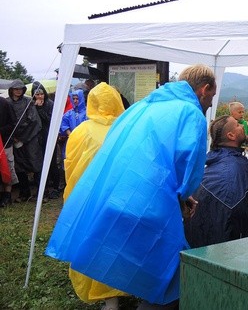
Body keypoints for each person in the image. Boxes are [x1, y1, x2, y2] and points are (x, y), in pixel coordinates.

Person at [45, 64, 217, 309]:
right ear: (205, 89)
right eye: (211, 97)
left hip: (116, 197)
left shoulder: (140, 107)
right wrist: (184, 195)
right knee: (166, 270)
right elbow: (188, 168)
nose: (210, 103)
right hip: (152, 204)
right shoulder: (191, 113)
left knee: (128, 259)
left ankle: (118, 300)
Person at [63, 82, 127, 310]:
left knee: (93, 242)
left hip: (88, 198)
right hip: (119, 198)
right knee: (118, 243)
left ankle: (107, 297)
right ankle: (118, 291)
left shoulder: (81, 131)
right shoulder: (126, 129)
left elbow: (70, 165)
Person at [184, 115, 248, 249]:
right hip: (228, 246)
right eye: (238, 124)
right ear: (231, 135)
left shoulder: (214, 164)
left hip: (200, 243)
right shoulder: (236, 170)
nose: (242, 126)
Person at [7, 79, 43, 202]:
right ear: (11, 90)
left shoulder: (28, 102)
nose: (18, 91)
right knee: (19, 166)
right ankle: (24, 193)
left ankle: (40, 192)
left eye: (20, 89)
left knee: (35, 163)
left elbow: (33, 120)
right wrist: (14, 137)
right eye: (16, 89)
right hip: (14, 138)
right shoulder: (7, 103)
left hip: (30, 137)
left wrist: (23, 137)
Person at [32, 81, 61, 199]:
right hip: (37, 137)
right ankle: (43, 187)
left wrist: (40, 110)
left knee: (52, 162)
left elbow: (52, 120)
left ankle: (56, 187)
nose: (39, 97)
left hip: (49, 136)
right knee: (39, 163)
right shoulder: (32, 105)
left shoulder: (50, 104)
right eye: (37, 94)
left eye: (41, 94)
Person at [0, 96, 18, 206]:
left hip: (5, 141)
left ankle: (7, 194)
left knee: (7, 167)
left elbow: (13, 123)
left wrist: (1, 131)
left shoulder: (4, 103)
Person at [59, 89, 87, 160]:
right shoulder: (68, 113)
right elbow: (64, 125)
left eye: (77, 99)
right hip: (71, 141)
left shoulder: (87, 112)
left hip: (84, 141)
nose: (75, 101)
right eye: (73, 99)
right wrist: (71, 135)